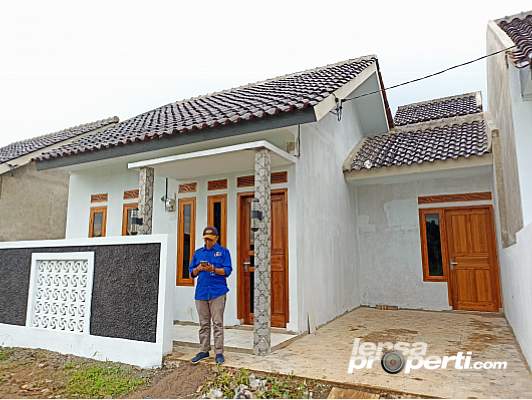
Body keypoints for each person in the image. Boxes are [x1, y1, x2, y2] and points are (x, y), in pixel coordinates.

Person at [189, 226, 232, 365]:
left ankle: (219, 352)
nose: (208, 242)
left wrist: (213, 268)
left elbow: (227, 271)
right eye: (206, 239)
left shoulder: (223, 252)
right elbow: (191, 273)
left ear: (216, 238)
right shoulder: (198, 253)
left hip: (217, 292)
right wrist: (198, 268)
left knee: (217, 323)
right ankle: (204, 350)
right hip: (201, 292)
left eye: (210, 239)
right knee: (203, 324)